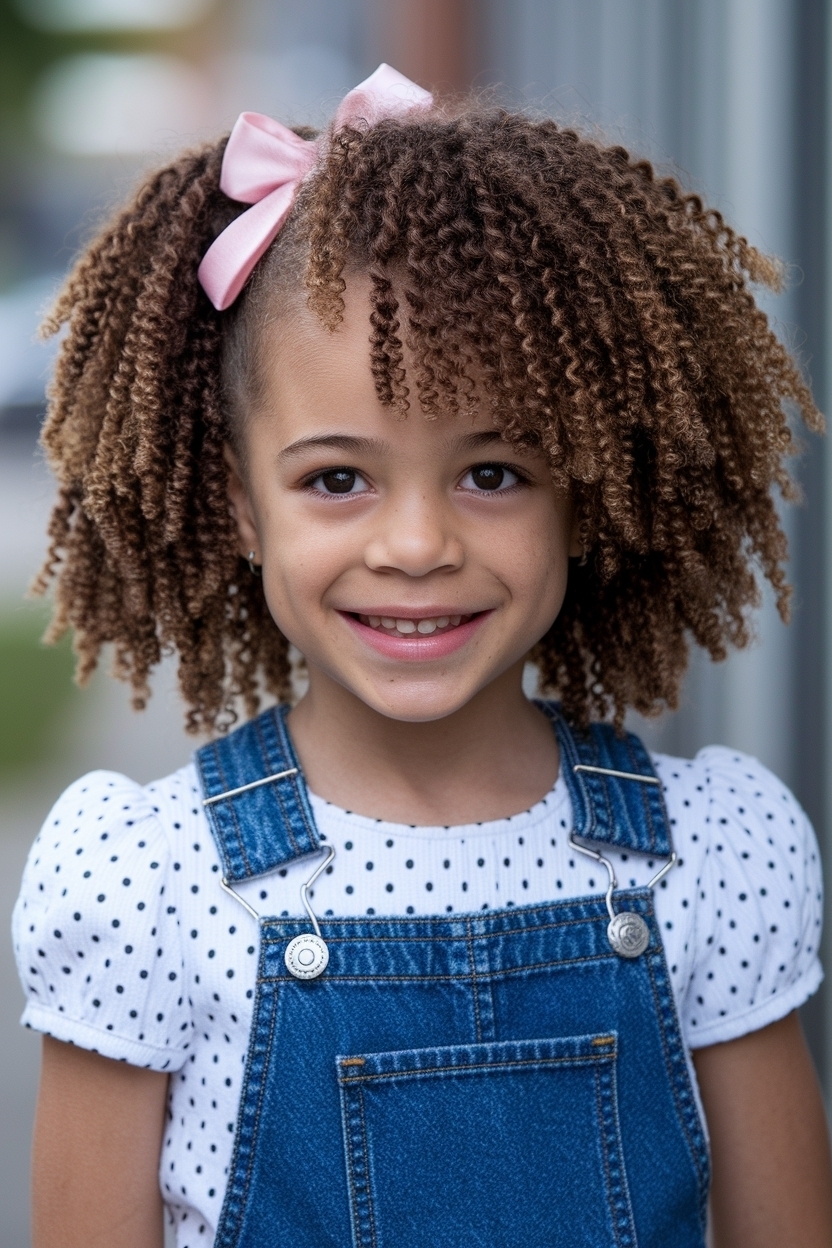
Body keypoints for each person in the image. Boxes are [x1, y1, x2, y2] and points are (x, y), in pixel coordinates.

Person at [12, 63, 832, 1248]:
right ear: (241, 504)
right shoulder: (145, 885)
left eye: (490, 473)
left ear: (581, 487)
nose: (414, 544)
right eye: (335, 479)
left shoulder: (716, 857)